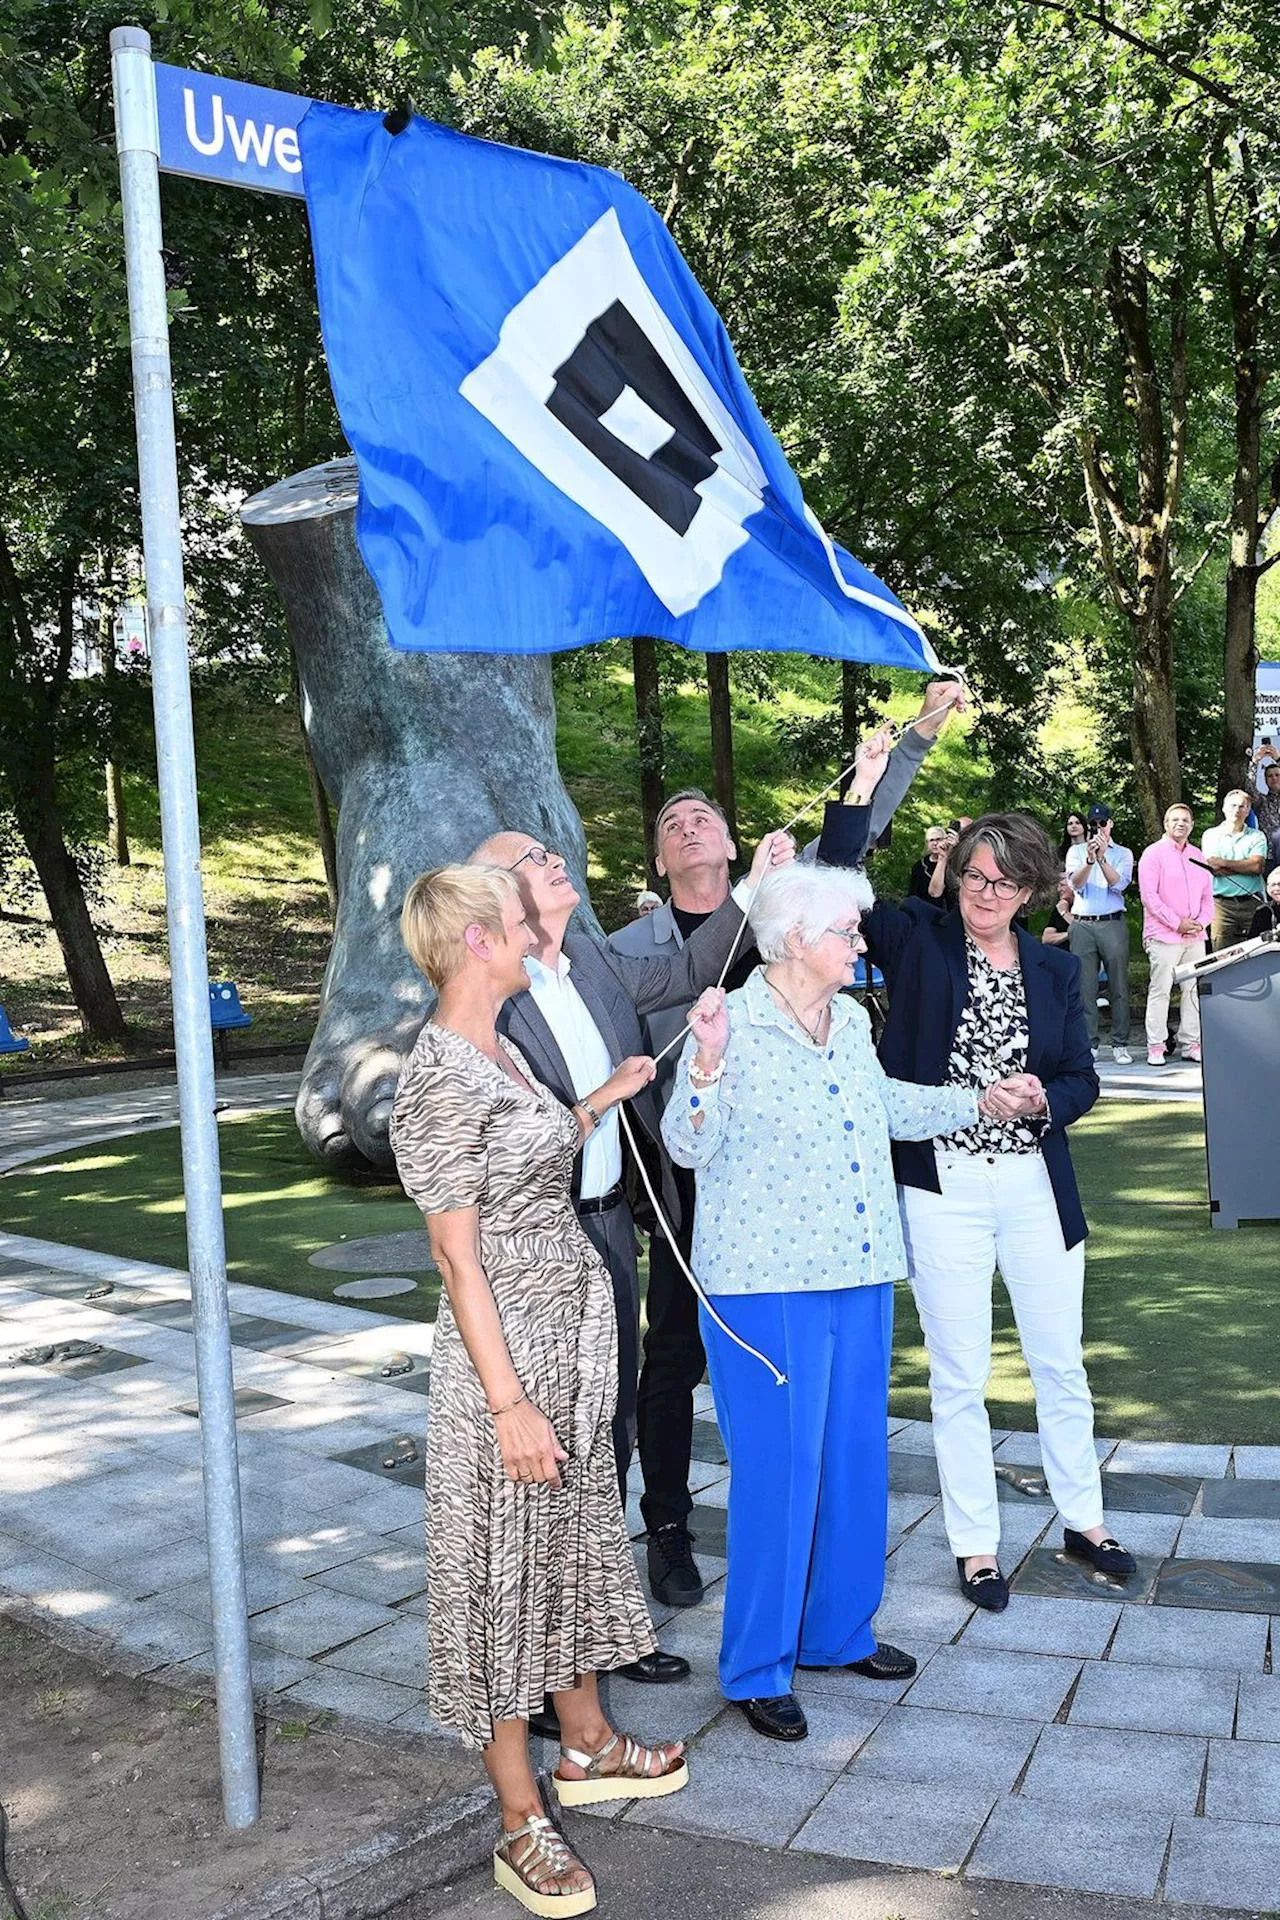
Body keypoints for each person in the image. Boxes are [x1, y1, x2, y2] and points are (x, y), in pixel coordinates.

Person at [607, 682, 967, 1611]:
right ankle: (670, 1529)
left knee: (819, 1411)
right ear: (658, 856)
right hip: (682, 1176)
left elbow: (848, 839)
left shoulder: (786, 908)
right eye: (672, 821)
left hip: (789, 1214)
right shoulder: (627, 945)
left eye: (704, 817)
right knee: (673, 1356)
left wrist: (915, 739)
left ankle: (824, 1597)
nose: (689, 826)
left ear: (733, 845)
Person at [390, 865, 687, 1918]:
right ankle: (520, 1820)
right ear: (476, 941)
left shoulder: (502, 1043)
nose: (532, 932)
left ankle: (590, 1743)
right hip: (504, 1356)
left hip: (569, 1331)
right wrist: (508, 1403)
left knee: (563, 1541)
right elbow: (457, 1263)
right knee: (501, 1576)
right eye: (516, 921)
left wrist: (597, 1100)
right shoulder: (431, 1076)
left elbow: (530, 1140)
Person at [661, 863, 1002, 1742]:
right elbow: (683, 1145)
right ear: (795, 941)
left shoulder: (848, 1019)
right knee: (779, 1477)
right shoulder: (728, 1018)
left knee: (853, 1460)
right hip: (762, 1284)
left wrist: (978, 1100)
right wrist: (701, 1065)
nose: (860, 943)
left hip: (858, 1267)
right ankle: (756, 1666)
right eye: (848, 932)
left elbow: (881, 1104)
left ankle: (836, 1630)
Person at [469, 817, 794, 1706]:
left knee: (604, 1434)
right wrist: (601, 1095)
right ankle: (533, 1675)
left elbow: (692, 968)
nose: (554, 862)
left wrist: (759, 888)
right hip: (537, 1242)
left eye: (548, 850)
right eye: (532, 860)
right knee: (546, 1453)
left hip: (610, 1229)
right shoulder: (488, 996)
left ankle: (598, 1636)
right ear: (494, 898)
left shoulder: (591, 957)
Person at [817, 803, 1133, 1612]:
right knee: (958, 1376)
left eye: (1002, 881)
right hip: (942, 1187)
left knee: (1059, 1362)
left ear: (1030, 889)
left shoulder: (1056, 970)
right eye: (973, 875)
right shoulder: (917, 940)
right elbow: (840, 875)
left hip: (1034, 1187)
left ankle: (1085, 1521)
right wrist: (870, 786)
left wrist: (1040, 1099)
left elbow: (1080, 1078)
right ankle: (976, 1547)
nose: (983, 893)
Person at [1137, 805, 1213, 1065]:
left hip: (1194, 936)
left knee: (1192, 989)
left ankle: (1191, 1043)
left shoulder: (1197, 856)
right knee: (1161, 990)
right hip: (1163, 934)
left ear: (1191, 825)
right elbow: (1149, 897)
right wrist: (1176, 923)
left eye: (1185, 820)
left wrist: (1200, 923)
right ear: (1166, 823)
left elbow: (1207, 898)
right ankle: (1156, 1045)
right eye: (1175, 820)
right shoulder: (1153, 854)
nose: (1180, 824)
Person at [1065, 803, 1134, 1064]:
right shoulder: (1076, 851)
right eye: (1093, 824)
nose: (1098, 829)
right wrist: (1090, 860)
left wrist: (1103, 858)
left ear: (1110, 824)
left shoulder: (1123, 853)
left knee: (1118, 985)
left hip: (1112, 922)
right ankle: (1089, 1043)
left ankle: (1120, 1042)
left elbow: (1120, 885)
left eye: (1102, 824)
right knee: (1085, 987)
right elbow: (1076, 884)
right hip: (1083, 923)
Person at [1202, 790, 1268, 950]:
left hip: (1253, 903)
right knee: (1222, 957)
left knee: (1257, 954)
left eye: (1242, 806)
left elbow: (1257, 866)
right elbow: (1214, 869)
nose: (1237, 810)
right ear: (1224, 808)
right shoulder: (1211, 835)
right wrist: (1246, 865)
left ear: (1248, 811)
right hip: (1221, 906)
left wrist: (1224, 862)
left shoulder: (1257, 836)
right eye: (1232, 805)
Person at [908, 825, 955, 901]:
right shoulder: (919, 866)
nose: (935, 843)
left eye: (938, 839)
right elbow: (912, 893)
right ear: (927, 843)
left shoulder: (953, 863)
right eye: (931, 840)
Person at [1041, 876, 1075, 949]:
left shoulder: (1086, 908)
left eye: (1062, 885)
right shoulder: (1060, 907)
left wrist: (1065, 913)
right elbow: (1046, 939)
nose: (1058, 889)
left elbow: (1087, 930)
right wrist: (1070, 934)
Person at [1249, 866, 1280, 939]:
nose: (1276, 889)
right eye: (1272, 885)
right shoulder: (1264, 911)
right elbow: (1253, 940)